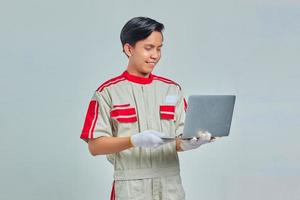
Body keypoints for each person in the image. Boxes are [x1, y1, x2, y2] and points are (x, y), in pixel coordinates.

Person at [80, 16, 216, 200]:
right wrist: (134, 140)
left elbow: (177, 140)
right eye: (148, 48)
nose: (155, 55)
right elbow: (95, 146)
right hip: (130, 187)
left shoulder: (172, 89)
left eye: (159, 48)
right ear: (129, 49)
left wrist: (192, 142)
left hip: (170, 185)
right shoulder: (107, 92)